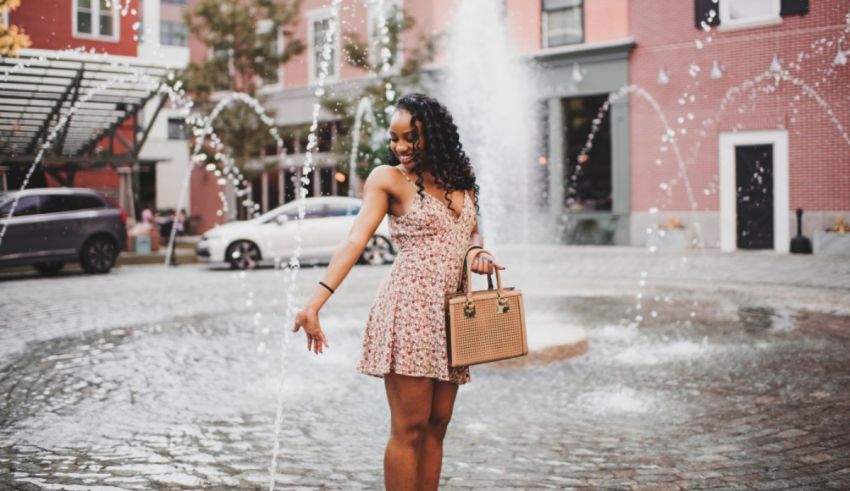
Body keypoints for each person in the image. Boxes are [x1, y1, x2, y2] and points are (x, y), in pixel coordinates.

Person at [292, 93, 504, 490]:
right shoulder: (387, 179)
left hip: (453, 311)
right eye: (395, 138)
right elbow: (356, 239)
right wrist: (315, 302)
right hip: (409, 308)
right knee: (409, 428)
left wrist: (476, 253)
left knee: (438, 425)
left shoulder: (461, 177)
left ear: (435, 137)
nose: (401, 147)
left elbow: (469, 234)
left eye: (412, 138)